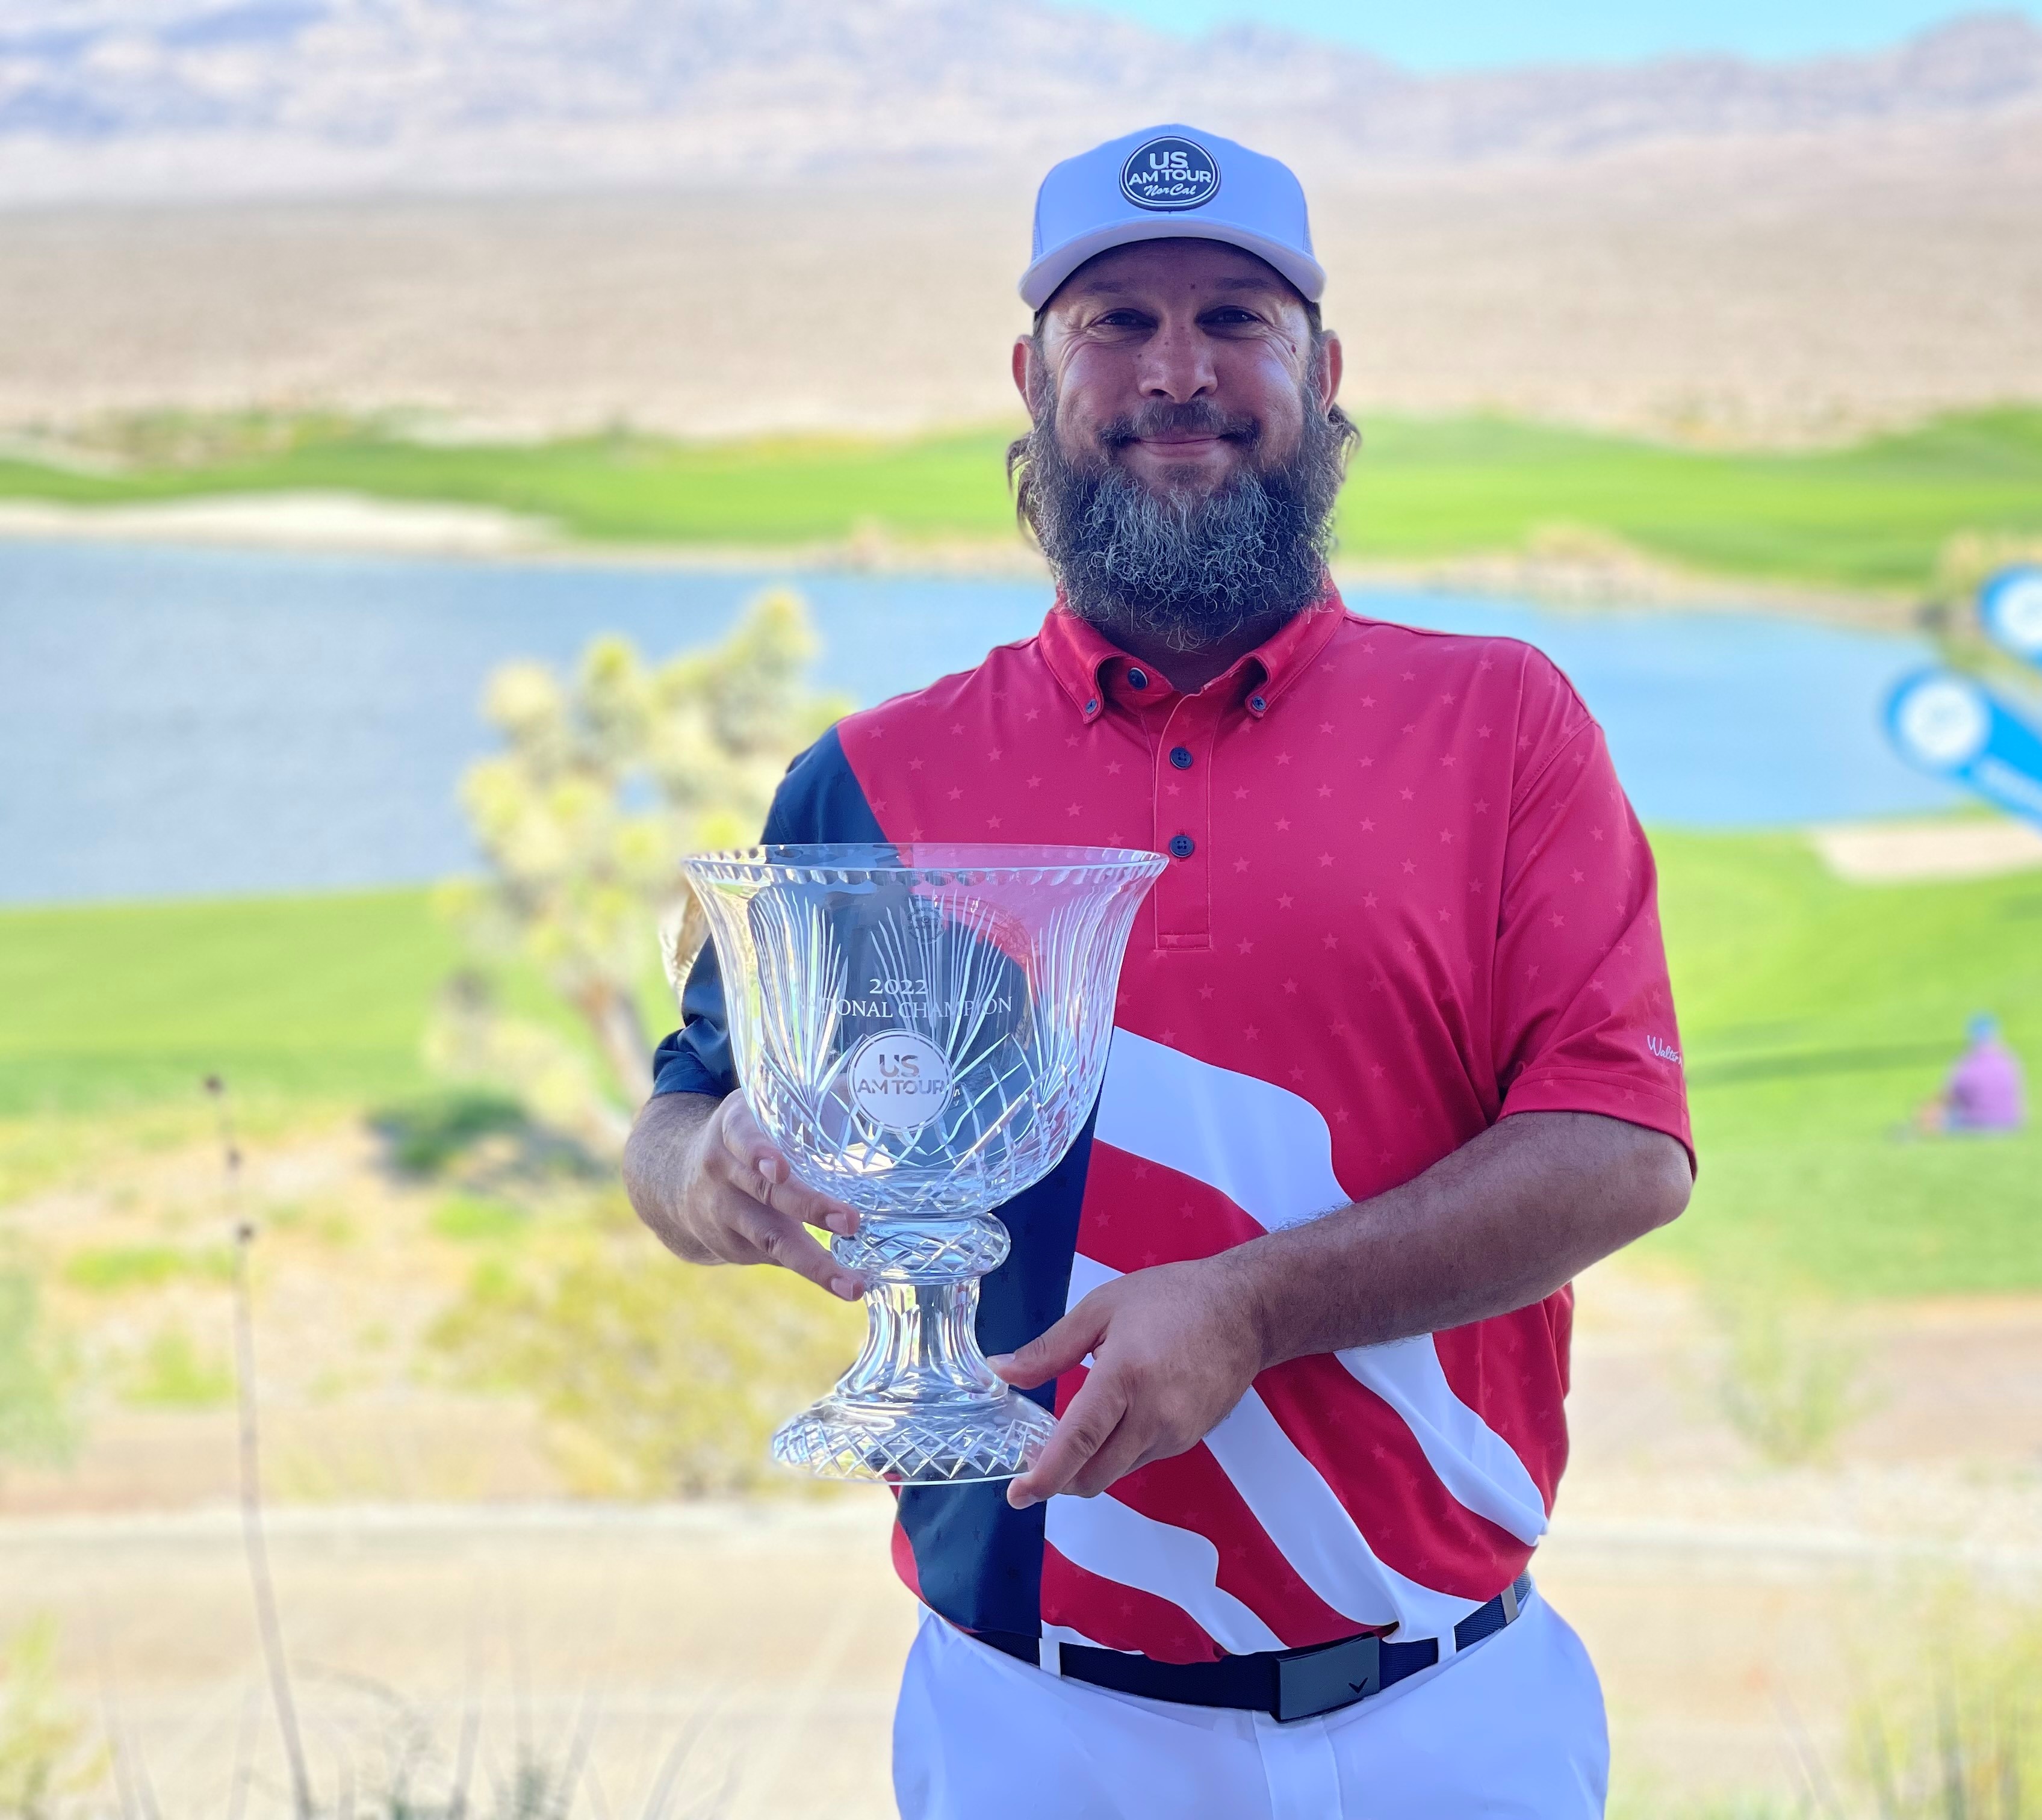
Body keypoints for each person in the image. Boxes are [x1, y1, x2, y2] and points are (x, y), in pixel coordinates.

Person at [622, 123, 1695, 1820]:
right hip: (1032, 1727)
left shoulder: (1502, 723)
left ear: (1322, 373)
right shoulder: (877, 776)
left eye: (1233, 321)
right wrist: (715, 1169)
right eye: (1115, 323)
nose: (1175, 373)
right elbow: (682, 1122)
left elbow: (1621, 1149)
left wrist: (1250, 1310)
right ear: (1037, 380)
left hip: (1451, 1718)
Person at [1915, 1014, 2025, 1135]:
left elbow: (1949, 1096)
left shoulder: (1967, 1062)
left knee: (1937, 1115)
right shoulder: (2010, 1059)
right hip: (2008, 1122)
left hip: (1976, 1123)